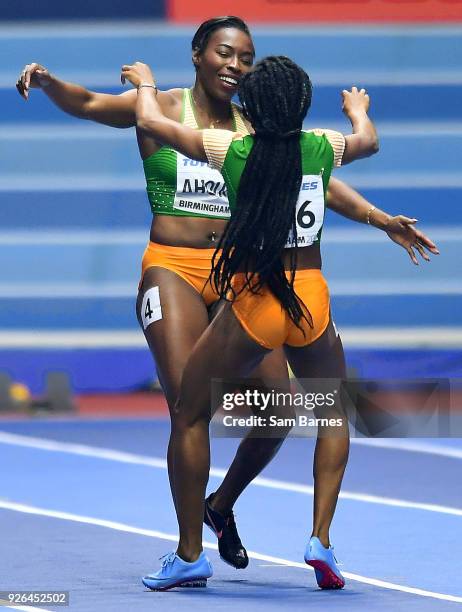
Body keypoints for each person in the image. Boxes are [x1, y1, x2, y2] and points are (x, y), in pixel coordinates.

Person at [16, 17, 438, 580]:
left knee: (281, 408)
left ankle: (220, 504)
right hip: (176, 268)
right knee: (190, 402)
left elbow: (316, 182)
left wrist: (378, 217)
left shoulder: (255, 123)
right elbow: (91, 103)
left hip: (245, 278)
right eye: (224, 53)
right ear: (197, 55)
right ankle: (189, 547)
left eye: (246, 57)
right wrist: (49, 83)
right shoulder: (163, 106)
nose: (235, 65)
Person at [119, 55, 436, 591]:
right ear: (302, 104)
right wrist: (358, 111)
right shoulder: (321, 147)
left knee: (191, 413)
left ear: (252, 108)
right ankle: (321, 539)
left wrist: (145, 83)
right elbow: (369, 141)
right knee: (332, 413)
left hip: (254, 302)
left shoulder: (232, 149)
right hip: (310, 300)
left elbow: (151, 123)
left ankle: (190, 552)